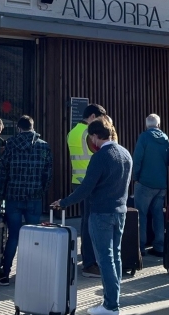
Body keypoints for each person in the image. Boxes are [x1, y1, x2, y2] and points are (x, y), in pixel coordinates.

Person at [52, 117, 132, 315]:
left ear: (96, 136)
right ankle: (114, 301)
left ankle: (110, 306)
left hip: (101, 213)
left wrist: (63, 203)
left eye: (91, 137)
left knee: (105, 259)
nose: (91, 142)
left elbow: (85, 189)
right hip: (120, 211)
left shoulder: (100, 157)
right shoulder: (125, 153)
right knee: (116, 257)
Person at [0, 115, 53, 286]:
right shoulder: (44, 146)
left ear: (18, 128)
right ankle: (32, 274)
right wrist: (41, 191)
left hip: (13, 198)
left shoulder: (10, 145)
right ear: (32, 128)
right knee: (34, 235)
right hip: (34, 198)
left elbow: (3, 173)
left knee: (13, 236)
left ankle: (5, 274)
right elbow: (48, 175)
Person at [66, 103, 107, 278]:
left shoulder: (72, 132)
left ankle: (87, 257)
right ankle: (90, 264)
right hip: (92, 183)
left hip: (78, 180)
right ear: (91, 117)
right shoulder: (89, 134)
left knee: (85, 221)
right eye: (98, 119)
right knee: (92, 223)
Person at [132, 114, 169, 257]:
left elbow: (137, 159)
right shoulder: (165, 138)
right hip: (161, 183)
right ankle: (159, 246)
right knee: (158, 214)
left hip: (145, 182)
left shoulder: (144, 137)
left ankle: (140, 247)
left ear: (146, 124)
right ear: (158, 125)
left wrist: (135, 177)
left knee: (140, 215)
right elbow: (168, 160)